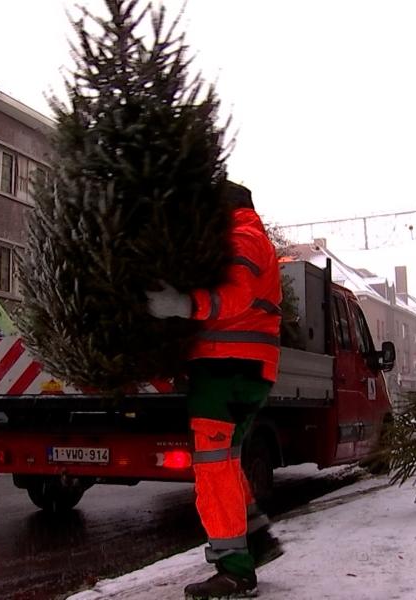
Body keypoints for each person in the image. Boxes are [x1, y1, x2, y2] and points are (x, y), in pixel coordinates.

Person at [145, 181, 283, 599]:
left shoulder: (243, 238)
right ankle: (255, 541)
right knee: (225, 461)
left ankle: (235, 571)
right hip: (236, 367)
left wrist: (184, 305)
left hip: (230, 368)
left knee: (212, 467)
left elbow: (237, 295)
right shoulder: (249, 237)